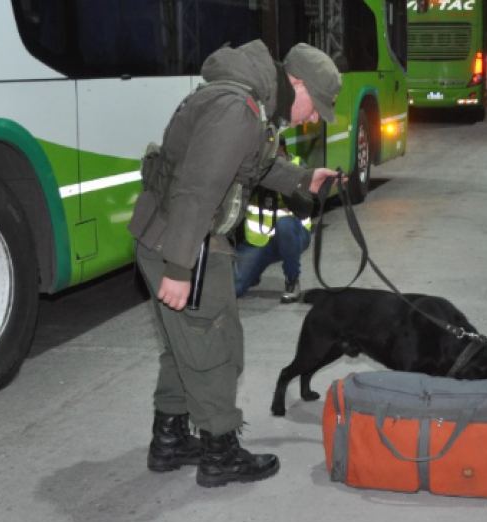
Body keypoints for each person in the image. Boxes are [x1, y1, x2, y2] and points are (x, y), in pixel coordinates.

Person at [128, 40, 342, 487]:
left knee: (185, 346)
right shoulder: (237, 110)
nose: (314, 118)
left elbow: (250, 166)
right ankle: (220, 453)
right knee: (216, 347)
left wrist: (303, 178)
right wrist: (180, 268)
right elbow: (198, 190)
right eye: (316, 106)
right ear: (297, 84)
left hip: (169, 235)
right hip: (185, 241)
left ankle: (169, 439)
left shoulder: (248, 104)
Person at [234, 164, 315, 303]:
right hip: (258, 242)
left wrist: (283, 184)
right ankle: (255, 271)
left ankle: (292, 279)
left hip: (293, 238)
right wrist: (259, 182)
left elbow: (306, 208)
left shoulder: (297, 166)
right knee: (234, 289)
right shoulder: (251, 168)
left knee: (285, 224)